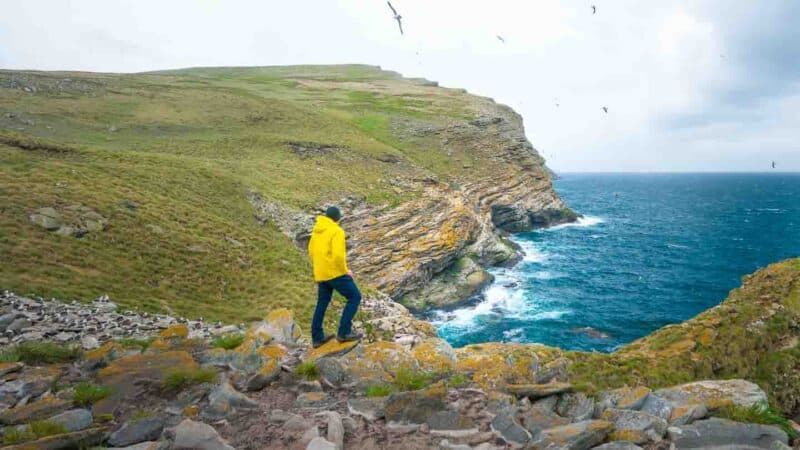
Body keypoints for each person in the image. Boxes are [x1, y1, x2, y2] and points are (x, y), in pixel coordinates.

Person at [308, 206, 363, 348]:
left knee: (322, 303)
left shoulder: (317, 230)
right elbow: (338, 256)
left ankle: (317, 338)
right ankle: (344, 333)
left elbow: (311, 251)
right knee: (355, 297)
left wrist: (321, 267)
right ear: (337, 218)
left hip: (321, 273)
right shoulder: (337, 231)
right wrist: (345, 271)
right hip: (334, 273)